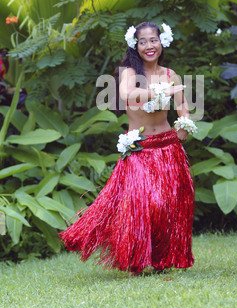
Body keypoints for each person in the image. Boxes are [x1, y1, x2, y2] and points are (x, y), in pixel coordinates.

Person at [59, 21, 197, 274]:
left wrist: (184, 125)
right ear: (135, 45)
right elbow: (127, 95)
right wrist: (161, 91)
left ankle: (162, 260)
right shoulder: (130, 72)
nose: (149, 46)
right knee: (144, 205)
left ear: (162, 41)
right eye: (142, 41)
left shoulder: (170, 74)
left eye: (153, 40)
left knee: (167, 206)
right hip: (140, 149)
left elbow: (182, 104)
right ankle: (135, 259)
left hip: (167, 147)